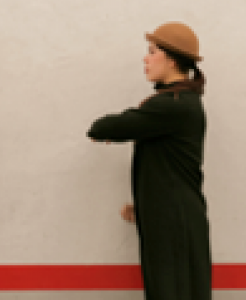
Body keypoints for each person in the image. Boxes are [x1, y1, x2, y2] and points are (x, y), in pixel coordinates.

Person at [86, 22, 212, 300]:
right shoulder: (180, 103)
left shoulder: (172, 105)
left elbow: (104, 127)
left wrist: (111, 132)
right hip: (174, 218)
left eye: (152, 51)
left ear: (171, 60)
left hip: (174, 224)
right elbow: (165, 164)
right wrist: (145, 203)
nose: (145, 58)